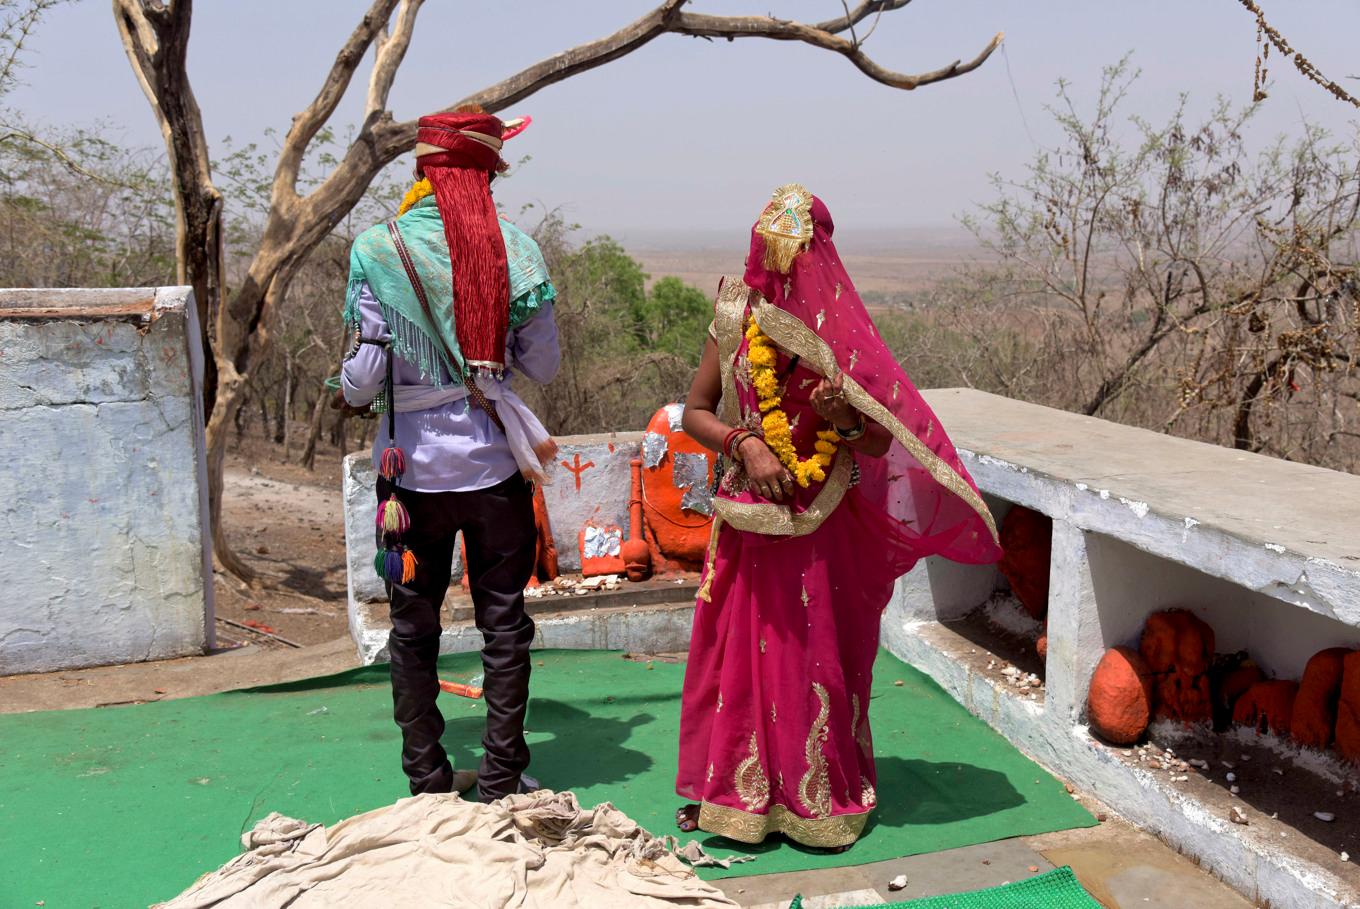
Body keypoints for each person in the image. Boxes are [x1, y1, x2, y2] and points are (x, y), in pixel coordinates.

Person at [674, 184, 1003, 850]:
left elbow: (880, 439)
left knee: (816, 657)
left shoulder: (839, 332)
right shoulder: (735, 312)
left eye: (793, 254)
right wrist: (745, 442)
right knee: (738, 654)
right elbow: (696, 411)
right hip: (749, 519)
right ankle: (734, 794)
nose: (780, 266)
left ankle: (812, 797)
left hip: (826, 520)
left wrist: (845, 419)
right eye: (771, 250)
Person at [340, 108, 559, 803]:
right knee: (504, 626)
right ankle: (499, 776)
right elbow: (544, 365)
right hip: (494, 472)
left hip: (410, 480)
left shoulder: (378, 248)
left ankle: (428, 779)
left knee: (413, 628)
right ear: (488, 173)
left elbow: (361, 386)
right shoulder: (517, 251)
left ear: (422, 171)